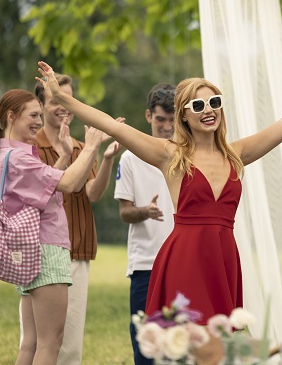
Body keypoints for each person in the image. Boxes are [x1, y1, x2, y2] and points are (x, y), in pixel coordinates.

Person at [36, 45, 282, 324]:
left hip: (224, 259)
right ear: (184, 117)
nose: (209, 110)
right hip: (184, 259)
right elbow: (109, 124)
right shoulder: (170, 155)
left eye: (214, 102)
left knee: (220, 347)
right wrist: (62, 98)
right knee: (186, 345)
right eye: (198, 106)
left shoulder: (236, 154)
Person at [0, 89, 103, 365]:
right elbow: (69, 184)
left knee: (31, 344)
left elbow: (45, 191)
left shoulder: (10, 156)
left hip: (33, 253)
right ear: (11, 116)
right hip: (47, 252)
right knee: (50, 344)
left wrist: (66, 154)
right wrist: (91, 147)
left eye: (39, 115)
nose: (38, 121)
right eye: (33, 115)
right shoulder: (21, 159)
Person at [31, 73, 122, 365]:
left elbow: (93, 193)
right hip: (41, 250)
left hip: (77, 249)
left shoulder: (83, 148)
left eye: (67, 100)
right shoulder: (31, 146)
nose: (63, 107)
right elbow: (51, 190)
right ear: (41, 105)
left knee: (70, 344)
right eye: (55, 100)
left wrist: (106, 158)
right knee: (37, 340)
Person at [114, 83, 175, 365]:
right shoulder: (130, 158)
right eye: (161, 119)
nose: (167, 127)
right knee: (146, 344)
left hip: (181, 261)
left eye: (172, 120)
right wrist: (146, 211)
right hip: (146, 265)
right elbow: (124, 212)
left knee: (180, 342)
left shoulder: (187, 155)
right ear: (148, 116)